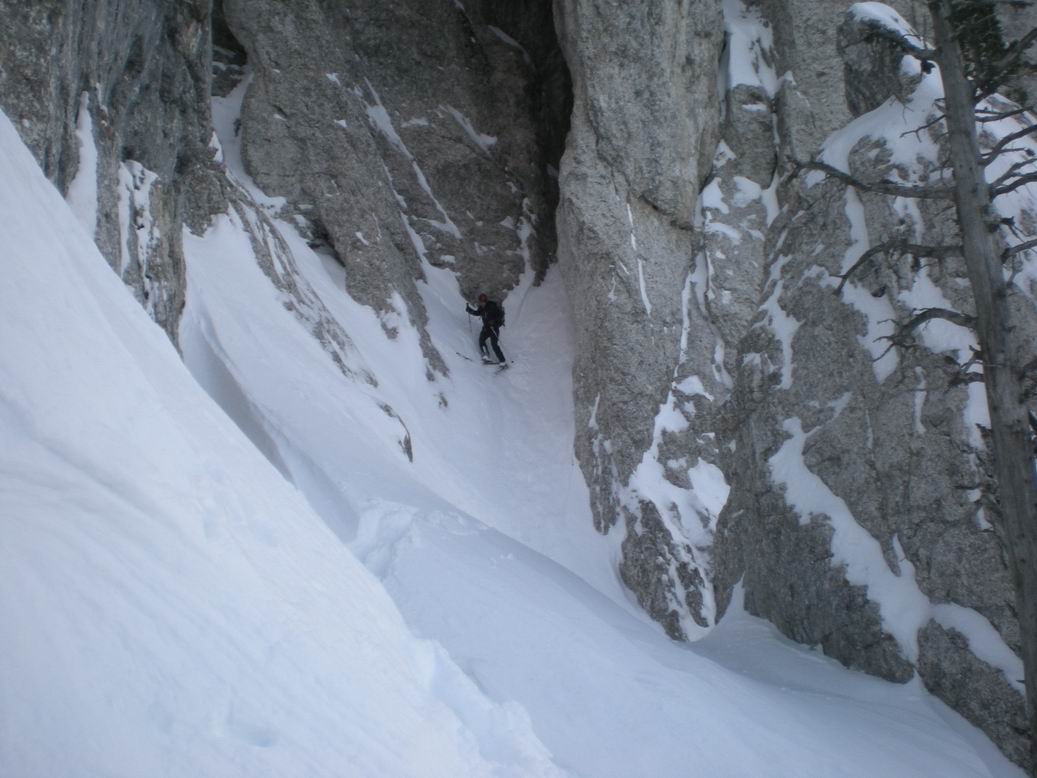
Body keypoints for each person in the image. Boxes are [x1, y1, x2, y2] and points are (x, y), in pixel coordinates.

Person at [465, 293, 506, 364]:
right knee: (481, 340)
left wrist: (494, 322)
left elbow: (499, 316)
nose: (482, 303)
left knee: (494, 344)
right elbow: (477, 313)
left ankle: (503, 361)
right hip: (486, 328)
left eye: (483, 302)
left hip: (494, 328)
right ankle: (486, 356)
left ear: (486, 301)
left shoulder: (492, 306)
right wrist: (469, 310)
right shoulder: (481, 308)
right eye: (480, 302)